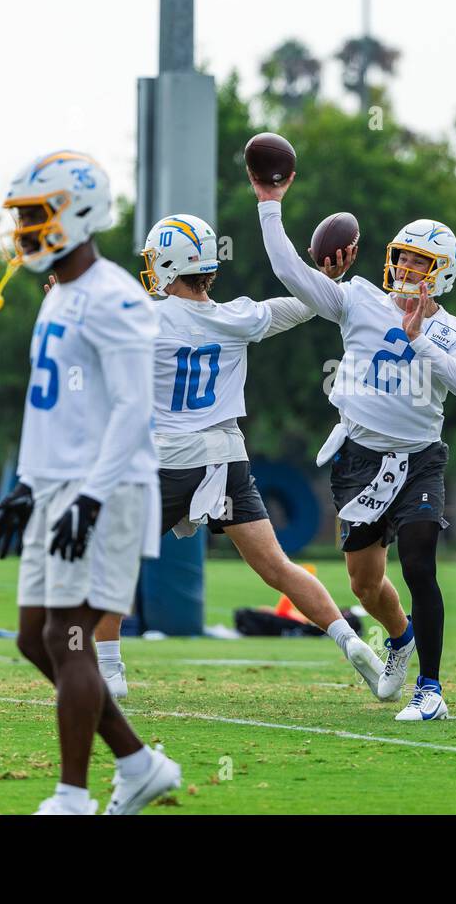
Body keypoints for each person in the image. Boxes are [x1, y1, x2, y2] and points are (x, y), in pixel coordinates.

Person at [0, 150, 179, 815]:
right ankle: (138, 762)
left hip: (106, 489)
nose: (28, 229)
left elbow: (132, 408)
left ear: (79, 212)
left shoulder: (116, 294)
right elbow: (60, 411)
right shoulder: (59, 292)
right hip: (57, 486)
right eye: (25, 217)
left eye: (39, 215)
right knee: (34, 636)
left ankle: (73, 796)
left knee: (68, 634)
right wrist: (26, 485)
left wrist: (90, 497)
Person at [251, 169, 456, 721]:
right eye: (401, 257)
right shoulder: (358, 299)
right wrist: (270, 205)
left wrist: (419, 338)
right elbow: (289, 270)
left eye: (418, 262)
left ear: (442, 274)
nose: (405, 268)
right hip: (360, 457)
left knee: (420, 562)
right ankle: (399, 639)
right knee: (365, 582)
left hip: (420, 458)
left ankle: (431, 688)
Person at [131, 212, 383, 695]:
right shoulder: (237, 317)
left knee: (111, 559)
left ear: (167, 264)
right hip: (226, 459)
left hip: (170, 460)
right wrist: (327, 280)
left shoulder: (147, 317)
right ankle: (349, 639)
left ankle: (108, 669)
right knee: (277, 567)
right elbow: (301, 307)